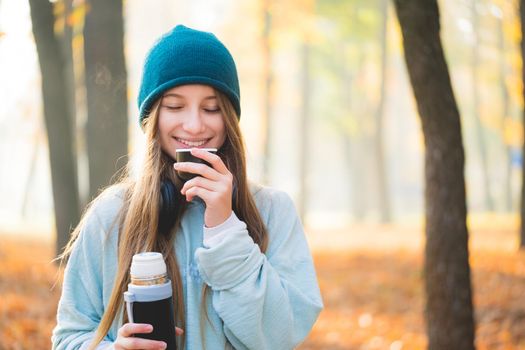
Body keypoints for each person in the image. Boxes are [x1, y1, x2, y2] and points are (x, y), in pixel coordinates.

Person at [51, 24, 323, 350]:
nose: (194, 125)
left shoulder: (273, 211)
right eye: (175, 106)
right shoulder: (111, 215)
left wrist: (225, 230)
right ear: (152, 117)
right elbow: (68, 338)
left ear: (230, 118)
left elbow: (280, 337)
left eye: (211, 108)